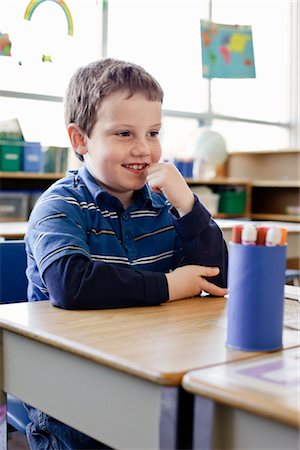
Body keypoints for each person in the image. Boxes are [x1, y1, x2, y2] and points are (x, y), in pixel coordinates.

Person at [24, 58, 228, 450]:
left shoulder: (162, 203)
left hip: (147, 370)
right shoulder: (60, 205)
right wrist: (169, 285)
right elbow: (71, 284)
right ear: (80, 140)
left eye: (153, 133)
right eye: (123, 133)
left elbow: (216, 278)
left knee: (202, 424)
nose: (143, 149)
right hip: (68, 388)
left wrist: (188, 205)